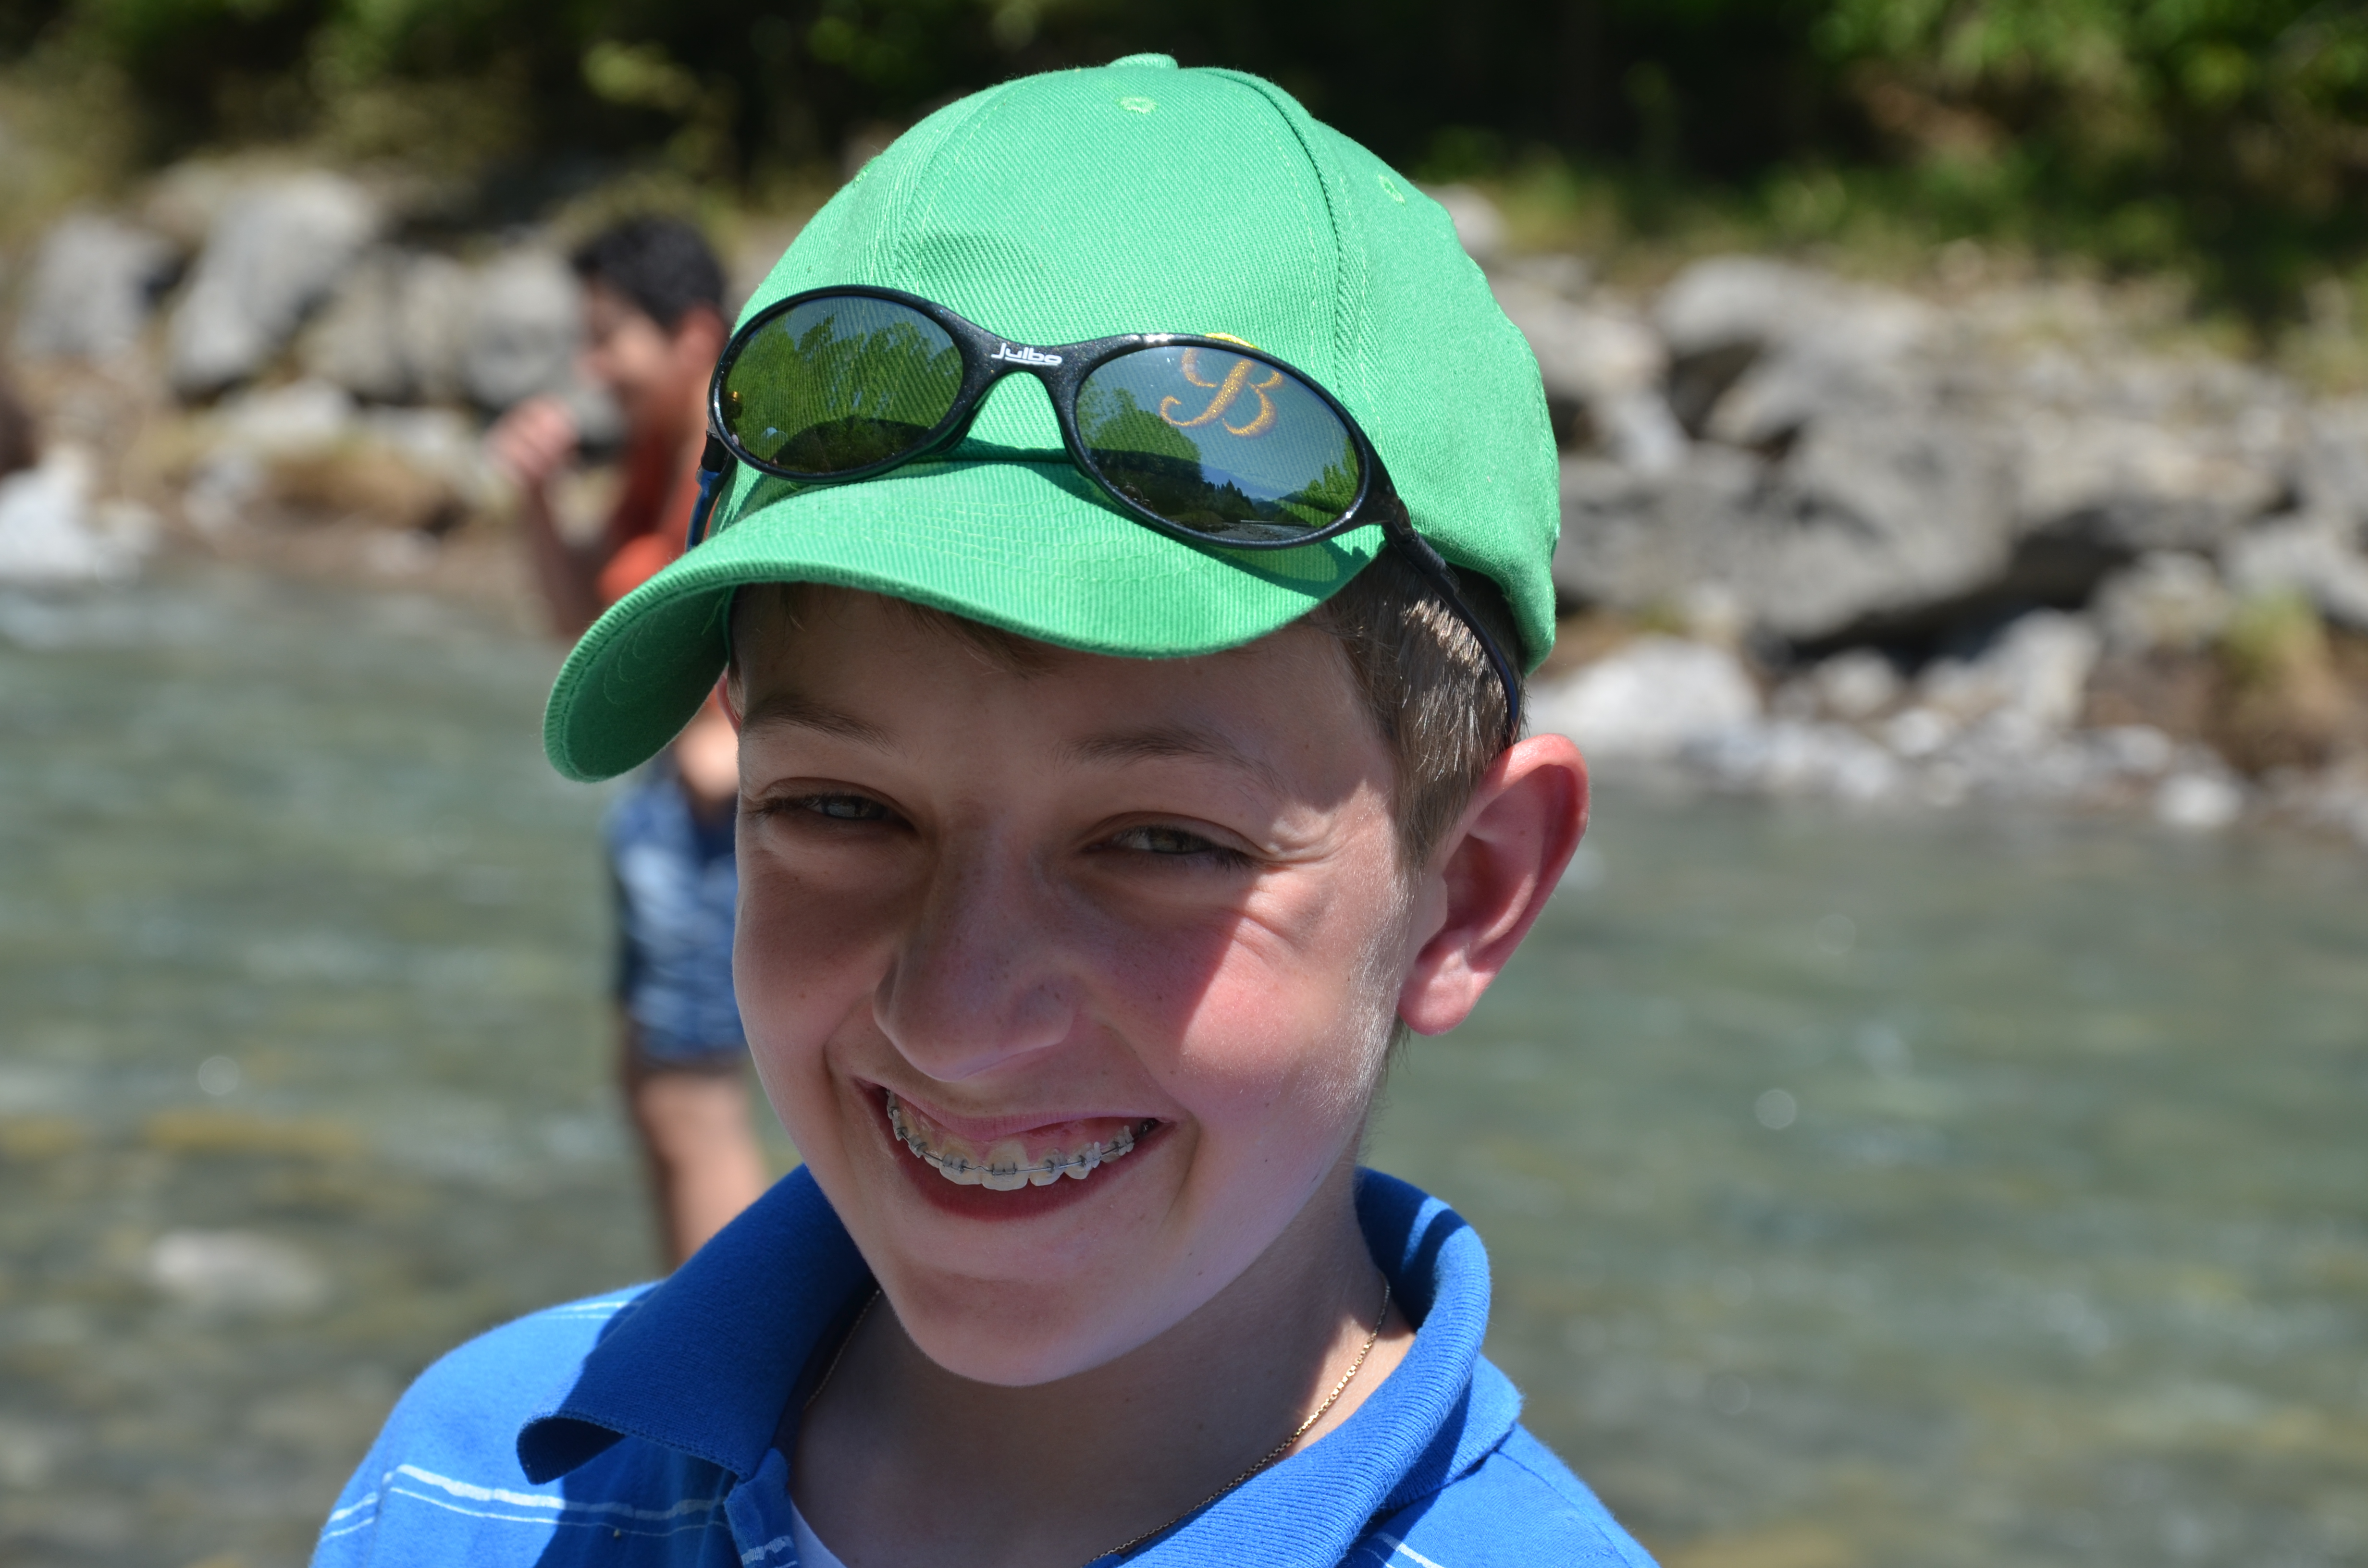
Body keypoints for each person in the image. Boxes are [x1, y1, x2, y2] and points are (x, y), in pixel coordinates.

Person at [318, 56, 1652, 1568]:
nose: (956, 1022)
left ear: (1470, 893)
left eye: (1161, 841)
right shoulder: (476, 1487)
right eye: (842, 808)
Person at [488, 217, 768, 1267]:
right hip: (666, 818)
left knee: (692, 1105)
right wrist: (534, 498)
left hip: (710, 826)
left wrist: (734, 754)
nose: (591, 364)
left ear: (693, 335)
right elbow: (585, 633)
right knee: (658, 1092)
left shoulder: (748, 466)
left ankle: (731, 1352)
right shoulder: (660, 451)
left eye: (608, 336)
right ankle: (694, 1332)